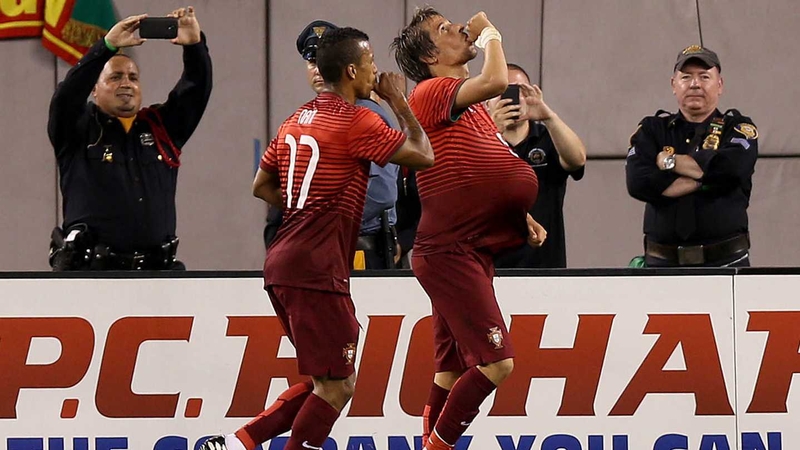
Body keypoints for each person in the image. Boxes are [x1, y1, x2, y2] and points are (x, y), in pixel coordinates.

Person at [199, 27, 433, 450]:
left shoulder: (295, 118)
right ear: (350, 71)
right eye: (369, 63)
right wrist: (398, 101)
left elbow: (261, 185)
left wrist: (306, 212)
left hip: (283, 263)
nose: (375, 71)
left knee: (327, 380)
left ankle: (237, 443)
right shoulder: (358, 118)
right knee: (337, 387)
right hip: (316, 268)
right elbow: (423, 155)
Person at [392, 7, 546, 450]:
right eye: (443, 30)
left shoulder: (467, 105)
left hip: (468, 247)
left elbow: (482, 170)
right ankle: (438, 447)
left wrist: (520, 214)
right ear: (429, 56)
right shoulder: (431, 90)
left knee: (451, 368)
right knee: (498, 364)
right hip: (451, 251)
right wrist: (491, 34)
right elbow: (498, 80)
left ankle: (428, 440)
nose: (459, 28)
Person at [47, 7, 212, 271]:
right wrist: (107, 46)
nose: (126, 83)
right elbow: (67, 96)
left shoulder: (160, 127)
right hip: (92, 276)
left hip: (158, 276)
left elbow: (195, 90)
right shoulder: (77, 129)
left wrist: (194, 46)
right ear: (95, 89)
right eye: (115, 77)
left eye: (133, 77)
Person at [264, 21, 403, 270]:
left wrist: (317, 223)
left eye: (324, 62)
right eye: (311, 62)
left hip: (357, 248)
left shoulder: (365, 114)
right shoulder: (311, 117)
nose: (318, 70)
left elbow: (380, 193)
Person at [626, 45, 758, 267]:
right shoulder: (652, 129)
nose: (695, 84)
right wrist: (708, 179)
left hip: (726, 263)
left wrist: (669, 162)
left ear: (720, 85)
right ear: (673, 85)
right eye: (686, 77)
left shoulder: (737, 127)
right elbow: (638, 182)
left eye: (704, 76)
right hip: (661, 264)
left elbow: (731, 170)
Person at [488, 63, 586, 268]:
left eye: (518, 91)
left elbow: (577, 159)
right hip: (490, 265)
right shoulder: (477, 142)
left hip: (545, 263)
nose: (510, 99)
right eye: (500, 92)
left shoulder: (548, 138)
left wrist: (549, 117)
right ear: (486, 102)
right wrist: (491, 132)